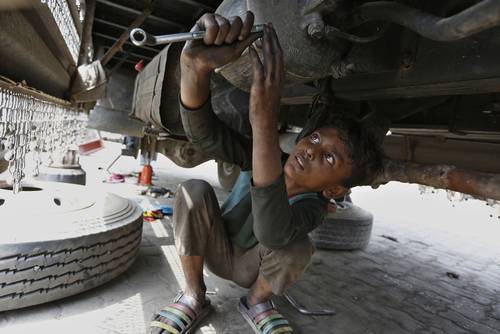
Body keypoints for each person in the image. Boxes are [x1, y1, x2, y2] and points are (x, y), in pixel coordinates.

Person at [150, 11, 383, 334]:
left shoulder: (314, 207)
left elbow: (273, 234)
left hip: (252, 268)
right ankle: (193, 294)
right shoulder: (267, 156)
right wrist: (194, 70)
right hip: (216, 248)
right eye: (314, 138)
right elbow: (206, 136)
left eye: (329, 159)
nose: (311, 150)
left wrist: (263, 119)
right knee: (193, 191)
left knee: (299, 248)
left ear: (334, 191)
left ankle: (257, 301)